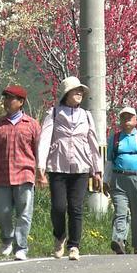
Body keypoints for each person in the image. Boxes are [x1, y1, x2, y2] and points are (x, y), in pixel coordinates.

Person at [37, 76, 102, 261]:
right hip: (57, 166)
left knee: (76, 208)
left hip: (81, 167)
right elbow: (45, 140)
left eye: (81, 91)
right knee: (58, 207)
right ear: (66, 94)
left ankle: (74, 246)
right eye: (76, 90)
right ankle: (59, 235)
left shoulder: (87, 116)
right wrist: (41, 165)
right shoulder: (54, 113)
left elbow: (93, 143)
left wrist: (97, 170)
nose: (79, 93)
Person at [0, 85, 41, 261]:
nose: (7, 102)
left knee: (24, 212)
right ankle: (7, 240)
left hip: (25, 174)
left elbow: (39, 150)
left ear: (21, 102)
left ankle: (21, 246)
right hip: (2, 177)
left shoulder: (32, 125)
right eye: (6, 98)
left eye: (11, 98)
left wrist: (40, 173)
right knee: (2, 211)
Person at [103, 107, 137, 255]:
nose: (127, 119)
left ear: (135, 120)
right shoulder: (114, 139)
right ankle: (119, 240)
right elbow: (109, 161)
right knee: (120, 211)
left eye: (130, 116)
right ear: (120, 120)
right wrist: (105, 180)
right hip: (118, 179)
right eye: (124, 117)